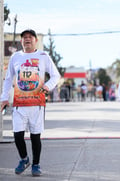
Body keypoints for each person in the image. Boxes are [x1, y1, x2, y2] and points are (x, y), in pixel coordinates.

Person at [0, 29, 60, 176]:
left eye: (30, 37)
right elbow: (8, 80)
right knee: (17, 135)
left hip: (37, 104)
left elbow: (55, 76)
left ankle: (36, 165)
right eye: (24, 37)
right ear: (21, 41)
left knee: (35, 137)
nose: (27, 39)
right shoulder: (15, 57)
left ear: (35, 40)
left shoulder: (43, 56)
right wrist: (4, 98)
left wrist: (47, 86)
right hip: (19, 104)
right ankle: (24, 159)